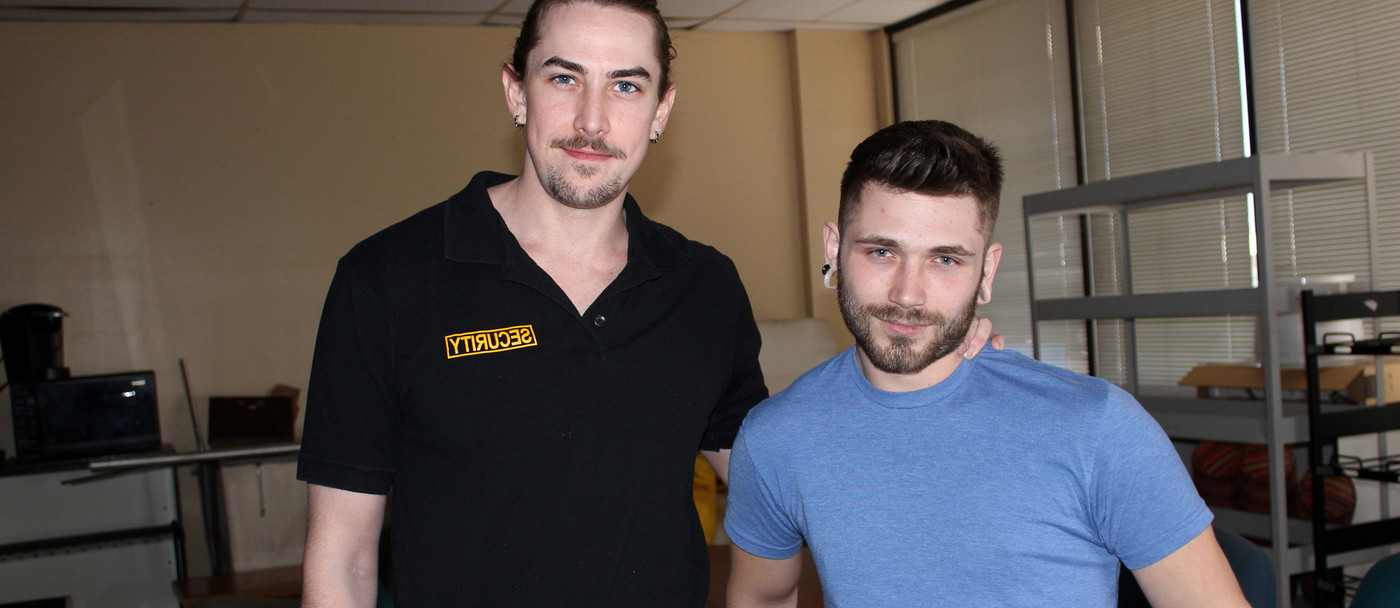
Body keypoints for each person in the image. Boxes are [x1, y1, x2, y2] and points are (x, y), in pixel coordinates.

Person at [297, 2, 998, 606]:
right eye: (564, 78)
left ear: (661, 110)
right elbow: (342, 562)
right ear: (516, 92)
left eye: (626, 86)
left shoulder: (703, 287)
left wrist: (925, 368)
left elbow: (780, 469)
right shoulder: (387, 279)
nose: (592, 121)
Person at [723, 120, 1251, 607]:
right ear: (834, 249)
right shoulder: (776, 438)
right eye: (881, 252)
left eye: (945, 259)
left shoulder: (1098, 428)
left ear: (987, 270)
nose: (908, 294)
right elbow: (761, 598)